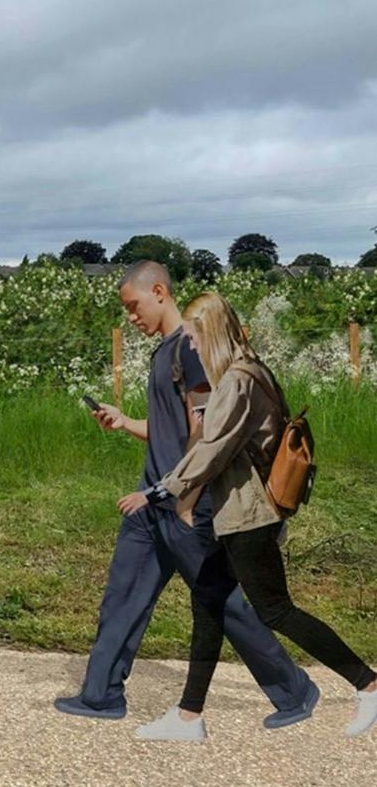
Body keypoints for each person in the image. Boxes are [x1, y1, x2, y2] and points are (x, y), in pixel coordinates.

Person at [54, 261, 316, 727]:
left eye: (134, 307)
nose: (131, 319)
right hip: (151, 500)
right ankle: (101, 695)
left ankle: (295, 691)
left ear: (159, 291)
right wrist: (125, 422)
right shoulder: (166, 352)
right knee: (123, 594)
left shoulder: (192, 350)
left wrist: (185, 501)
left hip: (182, 504)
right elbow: (172, 428)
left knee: (226, 606)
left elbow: (205, 430)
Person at [126, 291, 377, 740]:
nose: (194, 348)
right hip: (241, 512)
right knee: (207, 601)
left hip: (249, 515)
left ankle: (369, 684)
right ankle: (188, 717)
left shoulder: (237, 381)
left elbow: (212, 450)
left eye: (195, 339)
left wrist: (161, 490)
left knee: (275, 610)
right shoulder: (252, 370)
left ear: (211, 334)